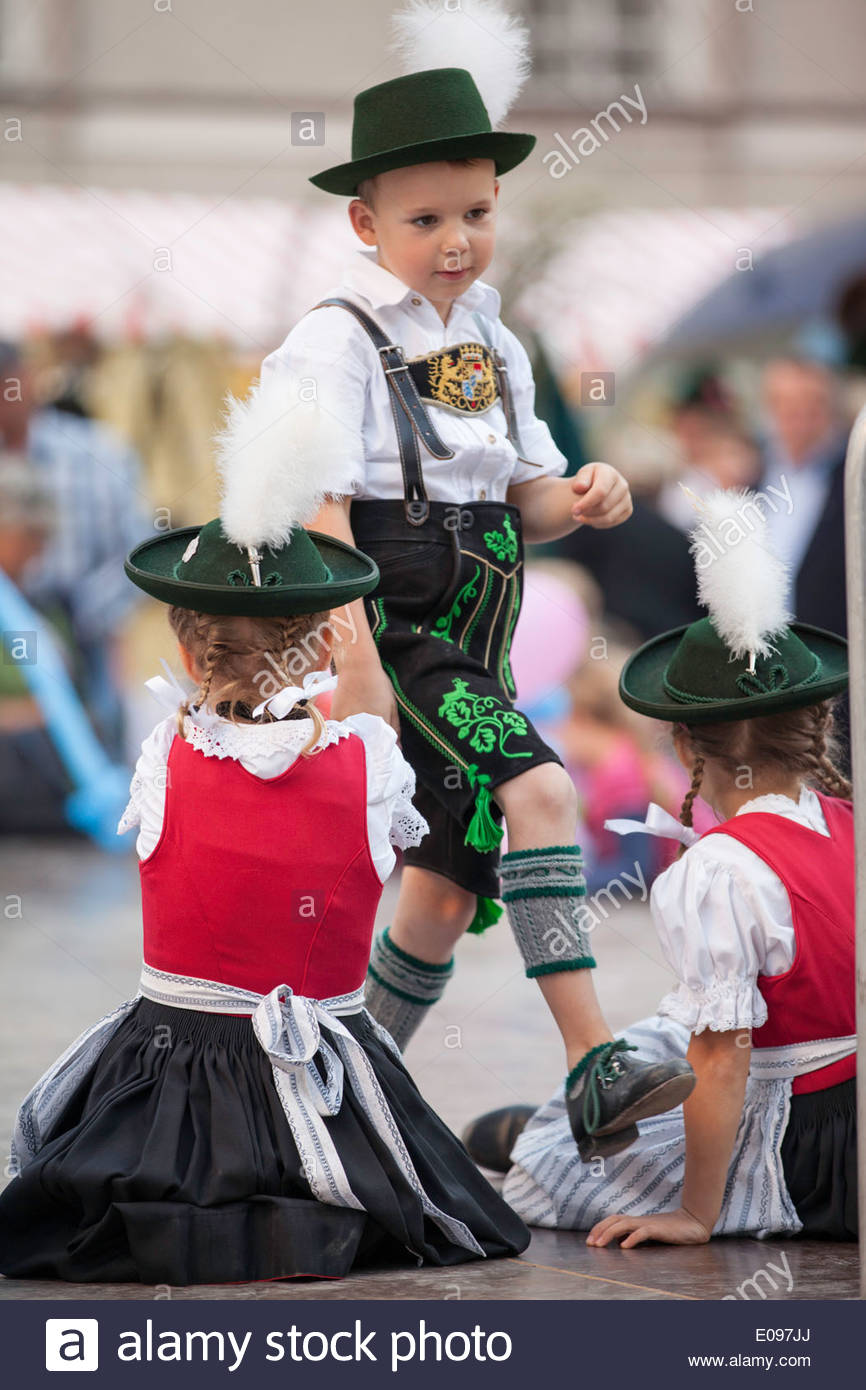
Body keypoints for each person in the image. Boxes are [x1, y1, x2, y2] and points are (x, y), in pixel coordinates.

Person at [262, 0, 694, 1163]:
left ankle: (345, 1105)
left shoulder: (498, 347)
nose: (455, 239)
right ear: (365, 220)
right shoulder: (340, 336)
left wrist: (586, 493)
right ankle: (595, 1060)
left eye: (475, 214)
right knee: (543, 795)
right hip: (398, 637)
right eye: (425, 218)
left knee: (443, 900)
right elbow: (319, 507)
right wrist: (352, 659)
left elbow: (523, 501)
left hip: (482, 634)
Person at [0, 375, 529, 1284]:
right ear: (325, 642)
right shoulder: (370, 766)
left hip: (171, 1080)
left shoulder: (164, 750)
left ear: (184, 640)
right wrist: (342, 588)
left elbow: (251, 699)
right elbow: (367, 708)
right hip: (326, 1081)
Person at [464, 489, 855, 1244]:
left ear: (683, 747)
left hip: (800, 1144)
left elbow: (721, 1061)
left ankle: (541, 1134)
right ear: (815, 725)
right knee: (657, 1038)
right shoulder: (846, 826)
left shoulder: (720, 870)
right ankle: (557, 1123)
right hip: (854, 1120)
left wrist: (696, 1213)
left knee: (542, 1178)